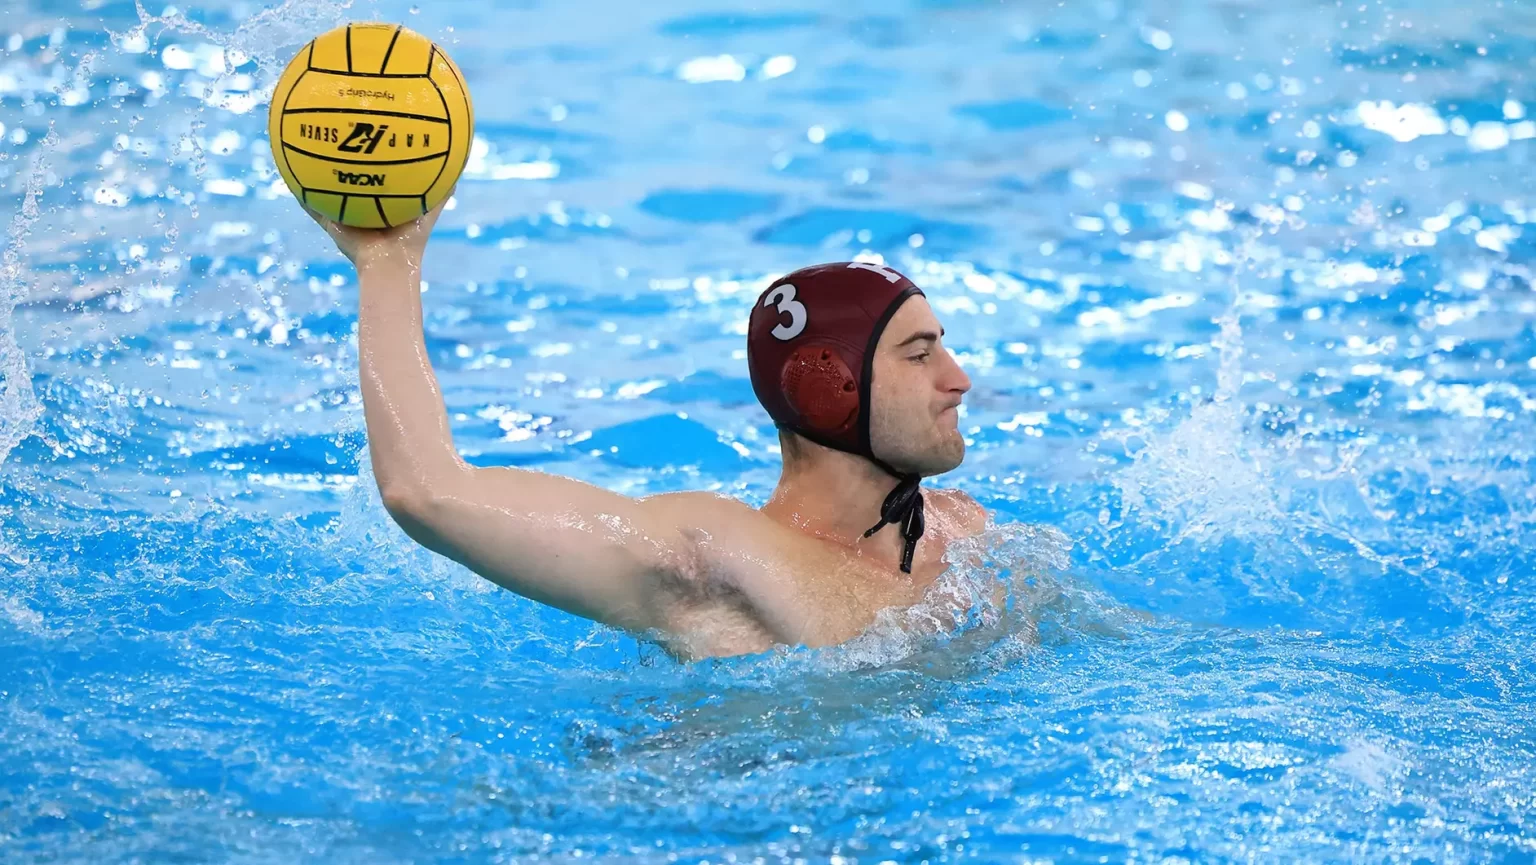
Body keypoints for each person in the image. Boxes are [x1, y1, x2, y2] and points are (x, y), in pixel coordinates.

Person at [304, 197, 987, 659]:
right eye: (920, 354)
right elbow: (424, 491)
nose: (958, 379)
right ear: (828, 385)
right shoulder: (717, 561)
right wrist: (388, 260)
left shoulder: (962, 532)